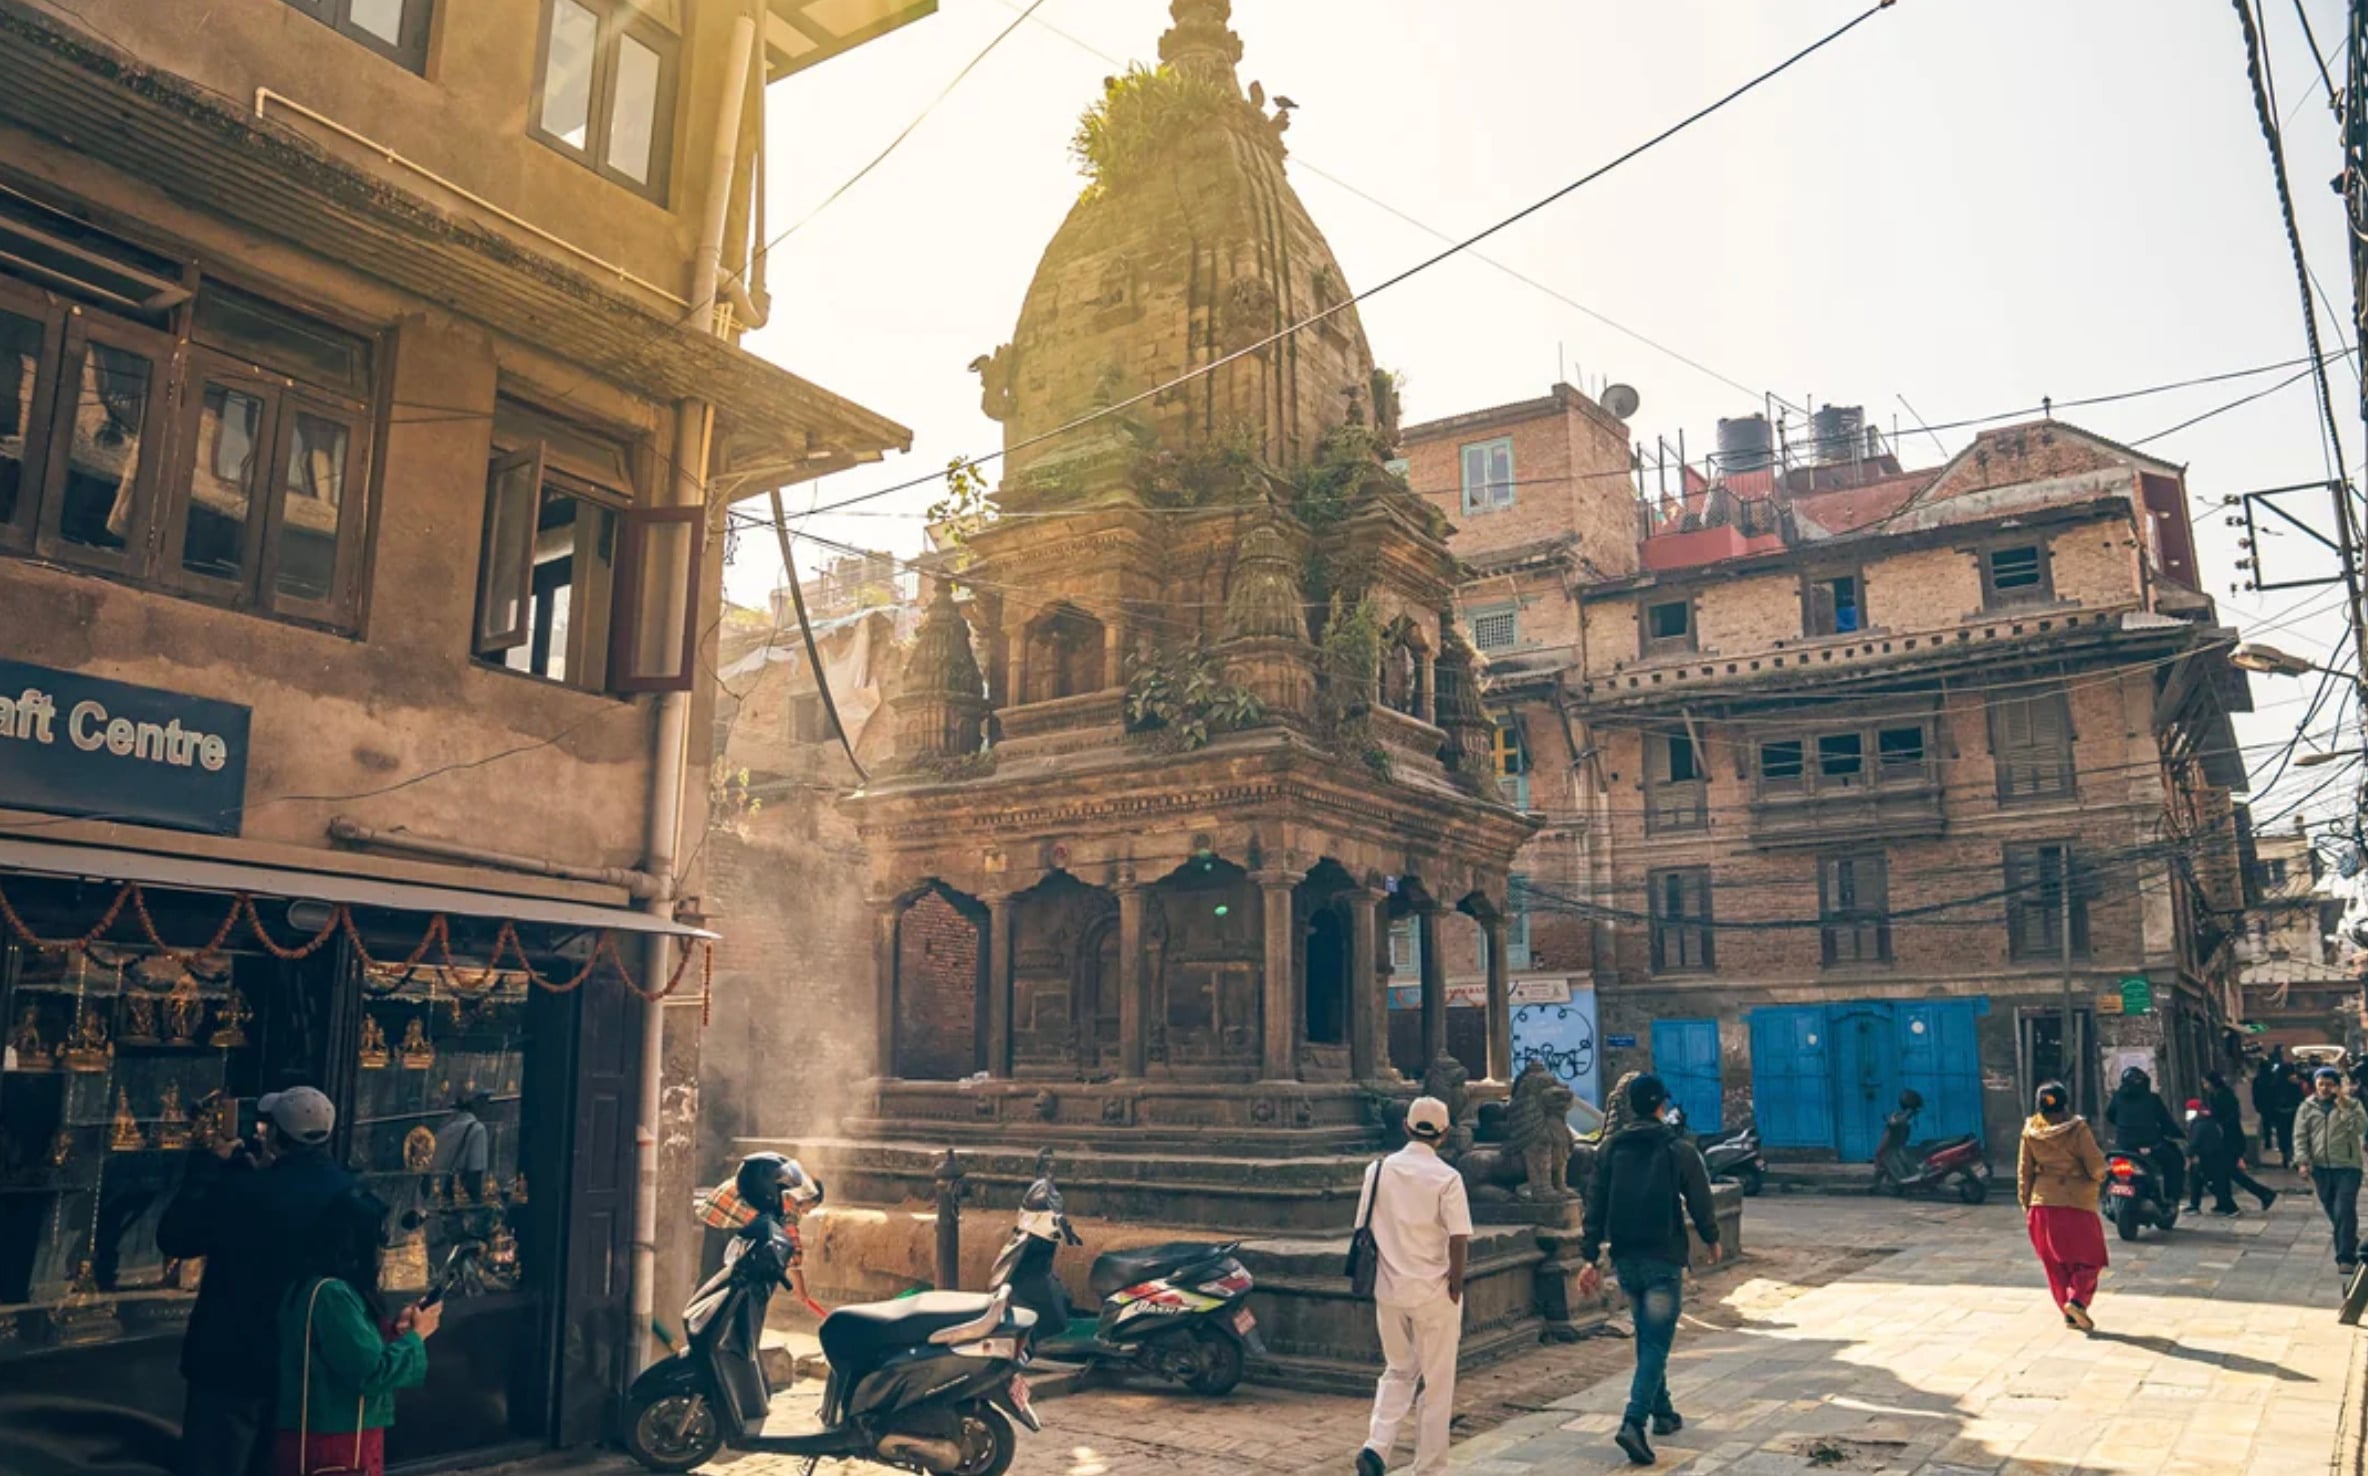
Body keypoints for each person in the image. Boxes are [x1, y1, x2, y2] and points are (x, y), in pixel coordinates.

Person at [158, 1086, 356, 1476]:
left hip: (231, 1359)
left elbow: (176, 1237)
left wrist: (212, 1169)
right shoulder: (347, 1192)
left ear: (277, 1137)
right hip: (303, 1359)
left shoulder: (244, 1191)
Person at [1577, 1073, 1722, 1468]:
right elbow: (1699, 1197)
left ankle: (1664, 1412)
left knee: (1647, 1334)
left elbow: (1595, 1204)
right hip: (1662, 1260)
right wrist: (1712, 1238)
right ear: (1661, 1106)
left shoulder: (1610, 1150)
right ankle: (1634, 1421)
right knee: (1656, 1341)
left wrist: (1589, 1257)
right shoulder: (1678, 1149)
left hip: (1626, 1259)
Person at [274, 1189, 435, 1476]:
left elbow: (355, 1351)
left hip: (335, 1430)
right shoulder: (332, 1295)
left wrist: (397, 1330)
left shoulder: (314, 1288)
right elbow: (371, 1372)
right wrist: (416, 1336)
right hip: (336, 1438)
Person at [1352, 1097, 1473, 1476]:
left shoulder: (1377, 1170)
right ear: (1445, 1133)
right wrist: (1455, 1284)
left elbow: (1363, 1228)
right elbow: (1458, 1237)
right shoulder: (1447, 1177)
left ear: (1405, 1127)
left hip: (1389, 1290)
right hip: (1435, 1291)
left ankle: (1377, 1445)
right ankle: (1430, 1467)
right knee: (1437, 1384)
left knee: (1398, 1370)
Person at [2017, 1080, 2108, 1331]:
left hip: (2041, 1205)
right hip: (2076, 1203)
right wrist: (2100, 1176)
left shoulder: (2029, 1131)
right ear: (2065, 1103)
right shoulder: (2078, 1129)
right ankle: (2077, 1301)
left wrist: (2026, 1203)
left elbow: (2024, 1171)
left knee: (2055, 1265)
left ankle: (2068, 1313)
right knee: (2091, 1259)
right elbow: (2096, 1165)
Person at [2296, 1065, 2368, 1273]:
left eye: (2330, 1085)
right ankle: (2350, 1241)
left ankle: (2345, 1258)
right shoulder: (2307, 1108)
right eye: (2321, 1084)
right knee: (2334, 1212)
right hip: (2321, 1169)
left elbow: (2361, 1128)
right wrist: (2302, 1161)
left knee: (2344, 1209)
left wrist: (2343, 1105)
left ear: (2337, 1086)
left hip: (2348, 1167)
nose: (2325, 1089)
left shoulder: (2353, 1105)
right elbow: (2300, 1136)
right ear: (2315, 1085)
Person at [2104, 1066, 2185, 1209]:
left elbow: (2110, 1115)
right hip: (2150, 1145)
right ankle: (2171, 1198)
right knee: (2175, 1160)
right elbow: (2165, 1121)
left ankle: (2107, 1199)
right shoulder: (2152, 1099)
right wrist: (2179, 1135)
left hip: (2124, 1146)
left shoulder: (2118, 1097)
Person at [2182, 1099, 2239, 1217]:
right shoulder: (2207, 1121)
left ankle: (2230, 1207)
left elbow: (2194, 1142)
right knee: (2198, 1181)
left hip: (2206, 1158)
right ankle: (2194, 1205)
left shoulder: (2200, 1124)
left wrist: (2189, 1156)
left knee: (2212, 1183)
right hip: (2210, 1156)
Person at [2257, 1054, 2295, 1167]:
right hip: (2292, 1112)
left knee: (2282, 1135)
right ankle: (2290, 1154)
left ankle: (2285, 1155)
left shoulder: (2274, 1083)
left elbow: (2270, 1099)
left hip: (2279, 1113)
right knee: (2292, 1135)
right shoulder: (2293, 1084)